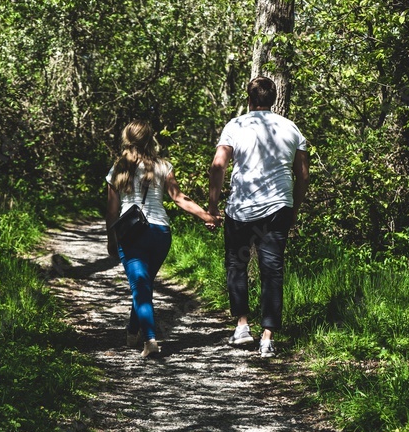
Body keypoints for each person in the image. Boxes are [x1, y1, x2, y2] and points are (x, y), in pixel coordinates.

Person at [207, 76, 310, 357]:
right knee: (272, 271)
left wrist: (213, 207)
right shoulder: (291, 129)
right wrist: (294, 208)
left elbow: (218, 166)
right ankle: (267, 338)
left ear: (249, 98)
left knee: (237, 264)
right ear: (274, 99)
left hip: (241, 210)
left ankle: (242, 326)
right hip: (278, 210)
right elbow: (303, 175)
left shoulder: (236, 125)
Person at [106, 120, 215, 358]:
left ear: (126, 138)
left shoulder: (118, 169)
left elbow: (112, 211)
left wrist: (111, 240)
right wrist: (206, 215)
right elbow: (179, 198)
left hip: (131, 233)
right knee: (143, 285)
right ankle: (132, 330)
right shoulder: (162, 165)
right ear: (149, 139)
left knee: (140, 286)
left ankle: (150, 340)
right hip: (160, 233)